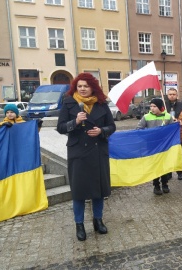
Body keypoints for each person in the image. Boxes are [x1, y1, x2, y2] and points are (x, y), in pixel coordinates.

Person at [56, 73, 116, 241]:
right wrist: (74, 122)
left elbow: (112, 126)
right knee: (79, 191)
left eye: (86, 86)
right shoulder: (68, 103)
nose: (82, 89)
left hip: (98, 152)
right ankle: (79, 225)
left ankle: (98, 220)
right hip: (78, 153)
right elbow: (60, 127)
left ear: (92, 88)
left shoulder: (101, 103)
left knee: (98, 190)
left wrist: (101, 131)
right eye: (79, 86)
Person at [137, 98, 173, 195]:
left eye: (154, 106)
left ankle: (165, 184)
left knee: (164, 166)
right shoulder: (146, 117)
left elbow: (172, 130)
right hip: (152, 146)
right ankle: (156, 185)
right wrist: (148, 137)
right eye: (151, 106)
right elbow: (139, 129)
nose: (152, 108)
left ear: (160, 107)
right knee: (155, 166)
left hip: (164, 146)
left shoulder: (168, 116)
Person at [165, 88, 182, 180]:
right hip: (167, 133)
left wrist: (179, 120)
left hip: (178, 132)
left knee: (179, 152)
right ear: (167, 95)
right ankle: (168, 172)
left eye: (174, 94)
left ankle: (179, 171)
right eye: (170, 94)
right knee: (168, 152)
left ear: (177, 95)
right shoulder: (164, 105)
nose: (172, 96)